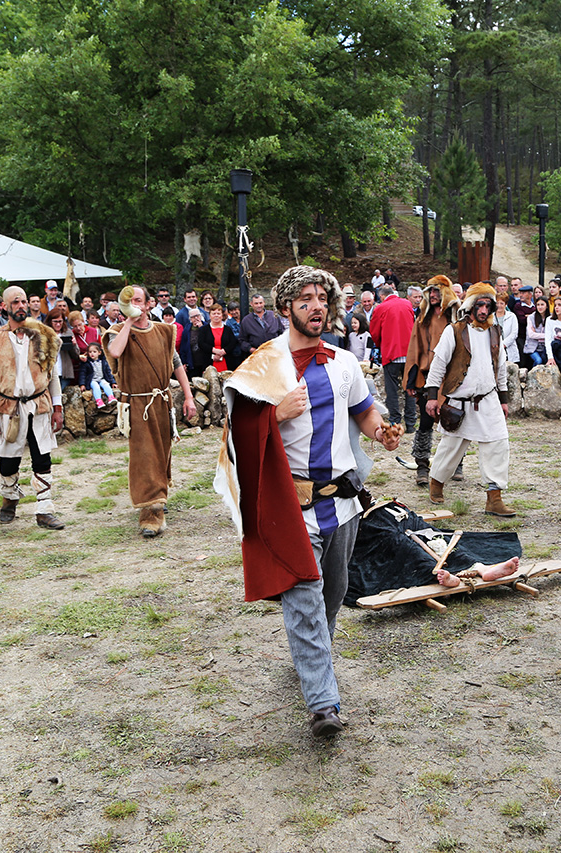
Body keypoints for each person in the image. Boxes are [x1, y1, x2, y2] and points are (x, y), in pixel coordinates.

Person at [215, 265, 400, 737]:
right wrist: (275, 414)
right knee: (304, 600)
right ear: (285, 309)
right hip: (292, 507)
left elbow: (363, 411)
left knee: (332, 596)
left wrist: (380, 431)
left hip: (342, 504)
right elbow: (235, 436)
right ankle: (323, 705)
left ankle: (309, 658)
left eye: (322, 298)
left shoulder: (342, 362)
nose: (317, 306)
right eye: (305, 300)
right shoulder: (262, 366)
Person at [105, 285, 198, 537]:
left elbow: (176, 364)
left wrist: (188, 397)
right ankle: (151, 512)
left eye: (138, 300)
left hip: (162, 401)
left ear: (148, 304)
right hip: (136, 403)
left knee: (162, 453)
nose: (134, 303)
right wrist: (127, 323)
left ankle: (158, 496)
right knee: (145, 456)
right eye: (129, 301)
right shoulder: (116, 332)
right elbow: (115, 352)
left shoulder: (163, 331)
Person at [424, 282, 516, 517]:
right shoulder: (454, 330)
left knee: (498, 444)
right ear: (470, 306)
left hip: (488, 400)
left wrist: (503, 399)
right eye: (480, 305)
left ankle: (494, 498)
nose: (484, 310)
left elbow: (500, 368)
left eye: (488, 305)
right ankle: (436, 482)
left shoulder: (496, 331)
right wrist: (433, 397)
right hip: (459, 401)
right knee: (451, 447)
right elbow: (438, 365)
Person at [0, 286, 66, 530]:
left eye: (23, 301)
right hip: (8, 408)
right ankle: (9, 498)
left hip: (39, 405)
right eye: (15, 302)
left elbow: (53, 375)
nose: (20, 306)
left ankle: (44, 509)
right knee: (9, 461)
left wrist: (58, 407)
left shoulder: (44, 336)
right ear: (5, 308)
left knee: (43, 458)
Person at [345, 500, 522, 605]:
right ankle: (440, 575)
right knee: (404, 546)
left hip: (392, 511)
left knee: (438, 540)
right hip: (368, 523)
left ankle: (481, 568)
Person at [403, 276, 460, 488]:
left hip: (452, 376)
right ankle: (422, 466)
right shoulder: (423, 316)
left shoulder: (457, 315)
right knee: (426, 422)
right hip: (428, 376)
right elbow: (414, 347)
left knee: (453, 421)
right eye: (431, 292)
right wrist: (411, 379)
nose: (433, 295)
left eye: (437, 291)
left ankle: (456, 464)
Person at [369, 283, 418, 435]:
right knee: (410, 388)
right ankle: (410, 423)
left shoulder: (381, 308)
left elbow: (375, 332)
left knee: (392, 390)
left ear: (382, 296)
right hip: (409, 353)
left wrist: (379, 345)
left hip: (391, 353)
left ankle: (395, 421)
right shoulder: (407, 304)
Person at [192, 303, 240, 372]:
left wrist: (223, 351)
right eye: (214, 313)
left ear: (221, 315)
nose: (216, 315)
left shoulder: (228, 329)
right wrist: (214, 351)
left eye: (218, 313)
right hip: (209, 361)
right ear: (210, 315)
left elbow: (232, 343)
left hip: (226, 362)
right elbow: (201, 343)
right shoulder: (204, 329)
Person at [239, 293, 282, 358]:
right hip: (257, 356)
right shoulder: (246, 320)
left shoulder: (273, 316)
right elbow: (242, 340)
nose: (259, 305)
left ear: (264, 303)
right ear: (251, 304)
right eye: (256, 303)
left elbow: (282, 333)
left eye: (260, 303)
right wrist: (251, 349)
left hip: (275, 354)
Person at [47, 308, 78, 390]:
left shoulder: (68, 332)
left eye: (60, 321)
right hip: (49, 371)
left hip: (64, 371)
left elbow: (76, 355)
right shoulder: (45, 333)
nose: (58, 324)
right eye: (55, 322)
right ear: (50, 321)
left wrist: (73, 345)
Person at [78, 343, 117, 407]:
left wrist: (113, 382)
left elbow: (108, 373)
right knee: (96, 387)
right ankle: (99, 400)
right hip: (92, 380)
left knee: (106, 384)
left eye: (94, 352)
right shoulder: (86, 363)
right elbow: (82, 374)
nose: (92, 353)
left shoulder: (103, 362)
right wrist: (82, 384)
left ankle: (111, 397)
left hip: (101, 379)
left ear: (99, 353)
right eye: (90, 352)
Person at [523, 297, 548, 367]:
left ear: (546, 306)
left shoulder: (550, 318)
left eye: (542, 305)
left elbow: (553, 334)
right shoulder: (531, 317)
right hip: (532, 346)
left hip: (545, 347)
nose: (540, 307)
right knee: (538, 360)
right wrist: (546, 335)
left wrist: (537, 334)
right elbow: (531, 335)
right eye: (538, 305)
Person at [495, 297, 519, 365]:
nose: (499, 305)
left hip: (509, 349)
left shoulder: (512, 316)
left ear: (506, 305)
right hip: (495, 349)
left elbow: (514, 333)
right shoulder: (490, 317)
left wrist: (503, 344)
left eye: (502, 303)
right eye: (497, 303)